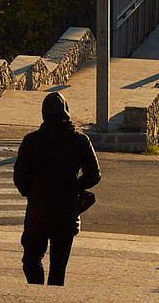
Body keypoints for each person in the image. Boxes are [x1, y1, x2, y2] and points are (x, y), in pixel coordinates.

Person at [13, 91, 101, 286]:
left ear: (44, 113)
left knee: (31, 259)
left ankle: (36, 291)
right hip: (66, 210)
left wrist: (32, 191)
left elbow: (19, 176)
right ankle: (52, 301)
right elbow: (94, 175)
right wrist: (72, 187)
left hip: (38, 210)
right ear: (66, 112)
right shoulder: (80, 141)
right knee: (58, 266)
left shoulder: (32, 141)